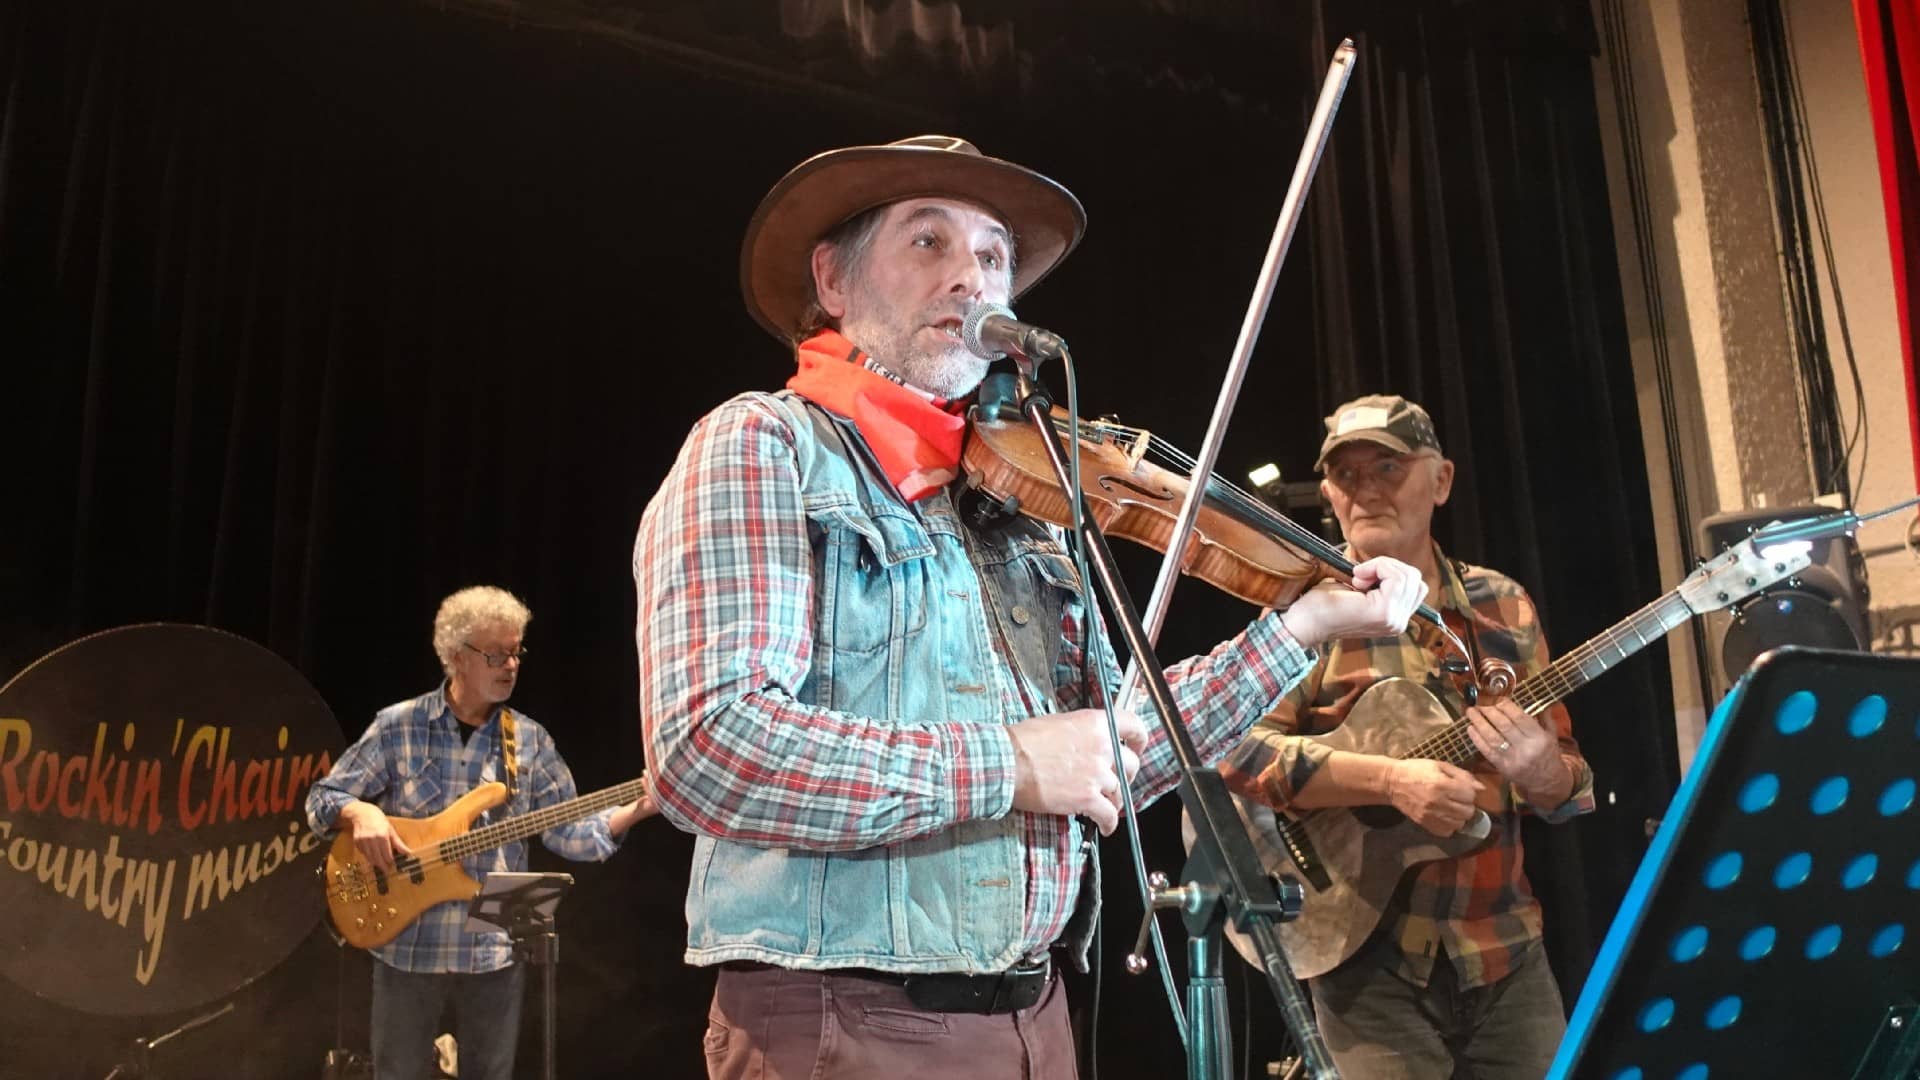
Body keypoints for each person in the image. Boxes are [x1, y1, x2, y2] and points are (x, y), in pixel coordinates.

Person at [630, 135, 1429, 1079]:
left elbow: (1121, 749)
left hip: (1038, 1020)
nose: (974, 276)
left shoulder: (1015, 498)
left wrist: (1303, 627)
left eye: (995, 254)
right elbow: (708, 749)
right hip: (846, 1024)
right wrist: (1006, 765)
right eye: (929, 242)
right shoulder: (761, 444)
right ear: (834, 283)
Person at [1221, 394, 1596, 1080]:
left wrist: (1544, 771)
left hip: (1505, 949)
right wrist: (1390, 781)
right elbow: (1237, 752)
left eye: (1387, 468)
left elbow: (1568, 785)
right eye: (1347, 476)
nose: (1365, 490)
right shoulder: (1304, 611)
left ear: (1442, 480)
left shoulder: (1502, 605)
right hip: (1365, 968)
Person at [306, 585, 654, 1080]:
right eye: (496, 654)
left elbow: (570, 831)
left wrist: (639, 809)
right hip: (407, 945)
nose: (510, 665)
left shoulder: (529, 740)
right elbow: (321, 801)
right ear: (454, 656)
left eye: (516, 653)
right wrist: (361, 815)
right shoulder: (398, 726)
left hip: (492, 951)